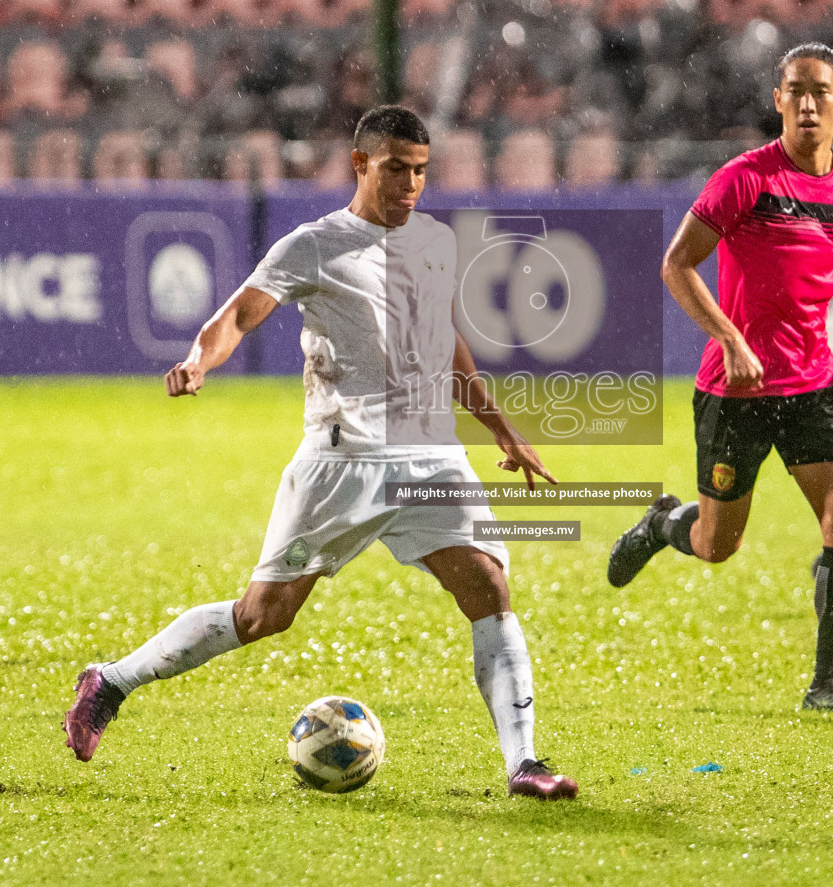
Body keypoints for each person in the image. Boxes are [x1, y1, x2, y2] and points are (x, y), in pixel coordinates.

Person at [63, 105, 577, 800]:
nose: (411, 185)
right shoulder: (315, 244)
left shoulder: (429, 242)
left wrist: (498, 425)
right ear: (361, 164)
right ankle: (113, 680)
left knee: (488, 586)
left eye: (421, 171)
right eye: (396, 169)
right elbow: (241, 312)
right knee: (263, 616)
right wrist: (199, 359)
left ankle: (526, 763)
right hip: (344, 462)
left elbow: (445, 339)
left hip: (429, 455)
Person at [607, 43, 833, 714]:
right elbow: (677, 265)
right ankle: (661, 527)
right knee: (716, 544)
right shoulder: (745, 179)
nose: (806, 103)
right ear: (778, 101)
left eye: (820, 92)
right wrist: (730, 338)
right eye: (794, 90)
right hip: (733, 392)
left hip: (811, 386)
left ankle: (825, 685)